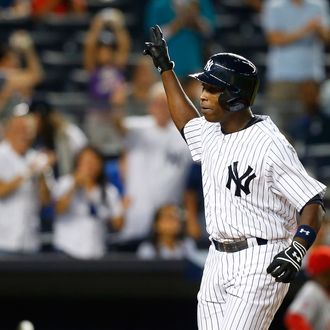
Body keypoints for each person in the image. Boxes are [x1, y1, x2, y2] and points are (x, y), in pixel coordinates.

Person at [143, 25, 326, 329]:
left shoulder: (270, 144)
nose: (203, 95)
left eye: (212, 90)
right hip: (217, 257)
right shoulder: (214, 131)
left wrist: (297, 249)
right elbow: (186, 123)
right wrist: (165, 68)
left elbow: (313, 201)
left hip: (260, 257)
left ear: (235, 97)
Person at [113, 81, 193, 250]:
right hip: (136, 214)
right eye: (157, 103)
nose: (161, 108)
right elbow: (118, 124)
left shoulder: (185, 135)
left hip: (168, 224)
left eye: (166, 103)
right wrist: (117, 105)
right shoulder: (138, 127)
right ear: (150, 106)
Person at [261, 0, 330, 135]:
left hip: (311, 75)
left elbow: (327, 37)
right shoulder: (274, 5)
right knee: (276, 127)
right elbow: (274, 39)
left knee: (312, 126)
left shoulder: (319, 4)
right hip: (282, 75)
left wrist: (320, 30)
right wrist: (306, 29)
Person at [52, 146, 124, 259]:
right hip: (67, 250)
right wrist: (74, 186)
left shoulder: (109, 191)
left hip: (95, 252)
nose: (90, 166)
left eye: (94, 161)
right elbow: (58, 209)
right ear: (78, 163)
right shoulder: (65, 182)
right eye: (86, 161)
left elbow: (118, 225)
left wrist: (118, 210)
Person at [0, 104, 53, 254]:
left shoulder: (37, 158)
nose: (23, 133)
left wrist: (42, 174)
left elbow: (45, 201)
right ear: (8, 130)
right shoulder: (1, 154)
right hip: (3, 240)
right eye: (19, 128)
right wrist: (30, 171)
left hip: (30, 240)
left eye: (27, 129)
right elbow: (1, 191)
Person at [83, 8, 131, 157]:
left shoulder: (117, 65)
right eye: (102, 49)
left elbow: (125, 46)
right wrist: (98, 24)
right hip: (96, 113)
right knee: (97, 152)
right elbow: (89, 46)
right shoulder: (93, 67)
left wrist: (117, 26)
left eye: (108, 49)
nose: (105, 52)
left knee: (118, 150)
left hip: (114, 114)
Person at [144, 0, 216, 79]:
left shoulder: (200, 2)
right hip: (167, 65)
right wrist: (180, 21)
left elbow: (209, 30)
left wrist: (195, 18)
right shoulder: (159, 3)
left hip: (194, 62)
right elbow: (153, 35)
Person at [29, 98, 88, 178]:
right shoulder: (28, 136)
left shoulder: (70, 132)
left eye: (42, 118)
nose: (38, 122)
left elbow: (86, 158)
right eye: (35, 117)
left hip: (68, 180)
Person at [284, 245, 330, 330]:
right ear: (321, 274)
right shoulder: (313, 290)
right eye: (327, 273)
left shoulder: (325, 292)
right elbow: (295, 318)